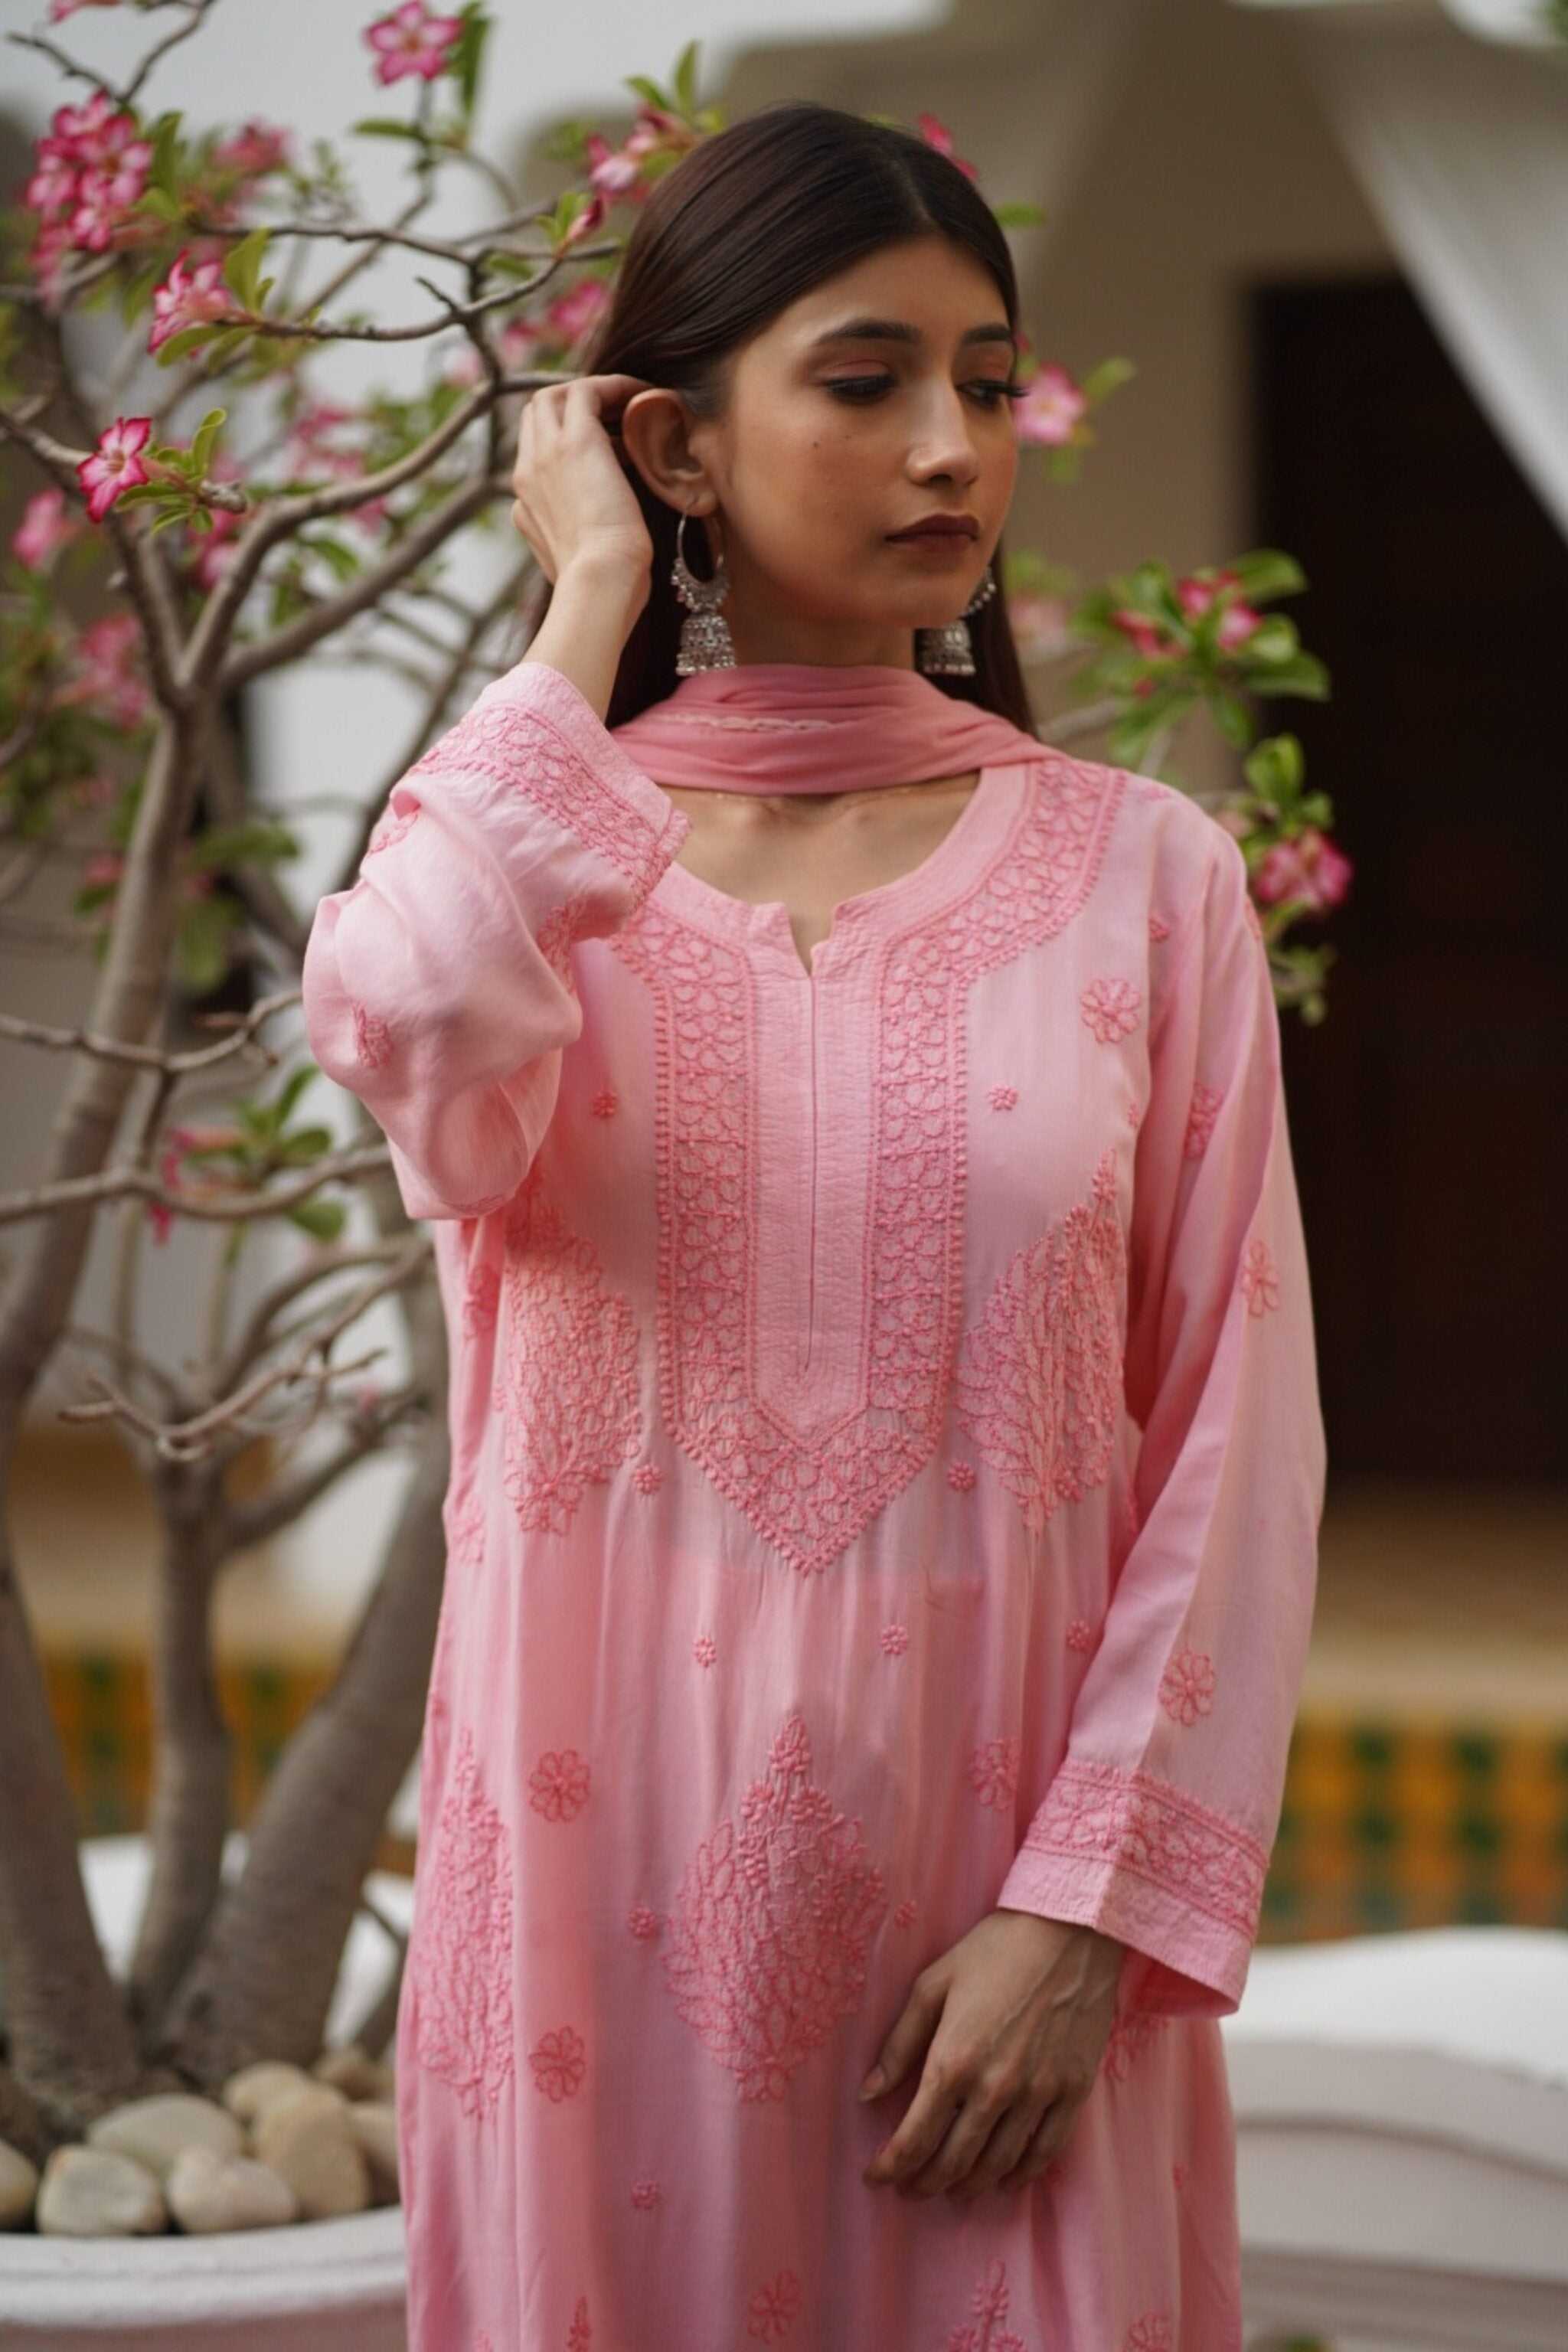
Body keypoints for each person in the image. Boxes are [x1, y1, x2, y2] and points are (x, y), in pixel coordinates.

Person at [300, 99, 1326, 2352]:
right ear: (672, 439)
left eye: (988, 381)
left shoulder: (1144, 879)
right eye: (867, 382)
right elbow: (387, 1014)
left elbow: (1237, 1441)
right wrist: (584, 604)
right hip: (587, 1919)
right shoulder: (544, 866)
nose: (955, 444)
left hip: (1004, 1939)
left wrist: (1087, 1923)